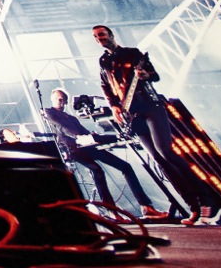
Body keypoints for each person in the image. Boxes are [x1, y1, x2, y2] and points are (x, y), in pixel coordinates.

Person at [92, 25, 219, 225]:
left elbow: (154, 75)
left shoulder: (132, 54)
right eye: (96, 37)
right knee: (159, 160)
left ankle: (208, 201)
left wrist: (145, 76)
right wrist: (114, 107)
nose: (99, 39)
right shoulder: (103, 61)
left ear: (111, 35)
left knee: (166, 152)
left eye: (102, 35)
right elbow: (105, 86)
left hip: (150, 106)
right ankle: (193, 207)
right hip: (132, 114)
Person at [44, 87, 163, 219]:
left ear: (66, 102)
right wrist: (78, 136)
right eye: (57, 99)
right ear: (52, 98)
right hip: (72, 148)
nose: (60, 101)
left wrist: (92, 136)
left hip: (87, 146)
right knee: (97, 170)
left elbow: (83, 131)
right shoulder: (48, 112)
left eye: (63, 99)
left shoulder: (72, 118)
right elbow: (61, 127)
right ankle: (111, 210)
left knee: (125, 167)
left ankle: (146, 207)